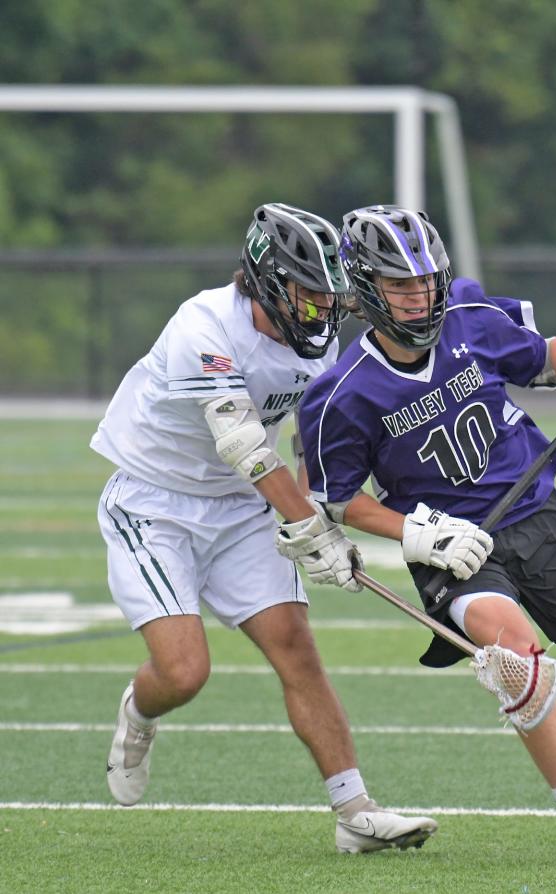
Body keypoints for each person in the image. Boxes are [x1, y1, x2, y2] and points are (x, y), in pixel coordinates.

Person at [295, 204, 556, 868]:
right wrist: (417, 534)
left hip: (535, 513)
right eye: (400, 285)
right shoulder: (341, 394)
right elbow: (335, 499)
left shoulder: (470, 320)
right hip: (457, 549)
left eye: (426, 281)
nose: (420, 297)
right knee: (518, 660)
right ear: (364, 290)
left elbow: (538, 360)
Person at [90, 202, 438, 854]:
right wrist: (314, 532)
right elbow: (245, 447)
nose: (320, 310)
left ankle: (355, 813)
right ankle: (139, 714)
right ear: (265, 280)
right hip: (154, 503)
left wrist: (319, 518)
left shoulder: (321, 337)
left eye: (328, 297)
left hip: (240, 509)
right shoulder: (202, 325)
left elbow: (302, 446)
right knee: (185, 672)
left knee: (295, 647)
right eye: (306, 296)